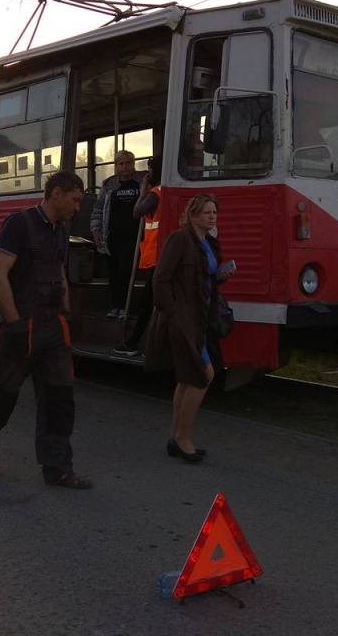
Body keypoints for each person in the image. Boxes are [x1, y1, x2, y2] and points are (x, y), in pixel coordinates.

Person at [0, 171, 93, 489]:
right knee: (3, 396)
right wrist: (15, 325)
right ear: (57, 193)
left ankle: (58, 468)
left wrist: (66, 314)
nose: (77, 208)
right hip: (24, 326)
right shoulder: (18, 224)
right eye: (75, 200)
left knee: (60, 398)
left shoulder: (61, 229)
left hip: (53, 325)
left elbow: (60, 271)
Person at [144, 194, 234, 463]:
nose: (212, 216)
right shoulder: (180, 239)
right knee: (202, 375)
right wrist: (172, 313)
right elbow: (161, 278)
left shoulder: (207, 243)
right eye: (206, 212)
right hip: (185, 319)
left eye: (214, 212)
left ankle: (175, 437)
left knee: (187, 378)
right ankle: (183, 438)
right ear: (192, 215)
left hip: (202, 319)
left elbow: (203, 278)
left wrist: (220, 275)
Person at [114, 155, 162, 357]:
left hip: (155, 254)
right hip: (165, 254)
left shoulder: (155, 193)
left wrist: (143, 190)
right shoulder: (170, 192)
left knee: (147, 303)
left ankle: (134, 344)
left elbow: (137, 213)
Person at [90, 150, 144, 318]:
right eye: (121, 164)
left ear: (133, 164)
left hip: (134, 235)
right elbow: (98, 209)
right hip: (112, 235)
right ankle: (116, 306)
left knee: (125, 267)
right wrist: (96, 230)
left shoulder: (142, 183)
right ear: (116, 166)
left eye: (128, 163)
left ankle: (125, 305)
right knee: (113, 271)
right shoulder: (109, 185)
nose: (125, 167)